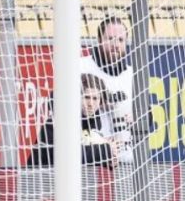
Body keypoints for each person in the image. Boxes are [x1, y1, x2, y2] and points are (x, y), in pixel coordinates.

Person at [26, 73, 122, 168]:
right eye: (87, 97)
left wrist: (108, 161)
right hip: (40, 180)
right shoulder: (58, 122)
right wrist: (105, 150)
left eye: (95, 98)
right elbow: (68, 157)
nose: (91, 104)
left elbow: (87, 157)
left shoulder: (93, 124)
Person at [81, 16, 133, 164]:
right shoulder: (81, 67)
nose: (115, 45)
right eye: (110, 39)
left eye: (121, 40)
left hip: (128, 161)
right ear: (99, 40)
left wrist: (140, 116)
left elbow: (148, 116)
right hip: (92, 161)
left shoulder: (132, 74)